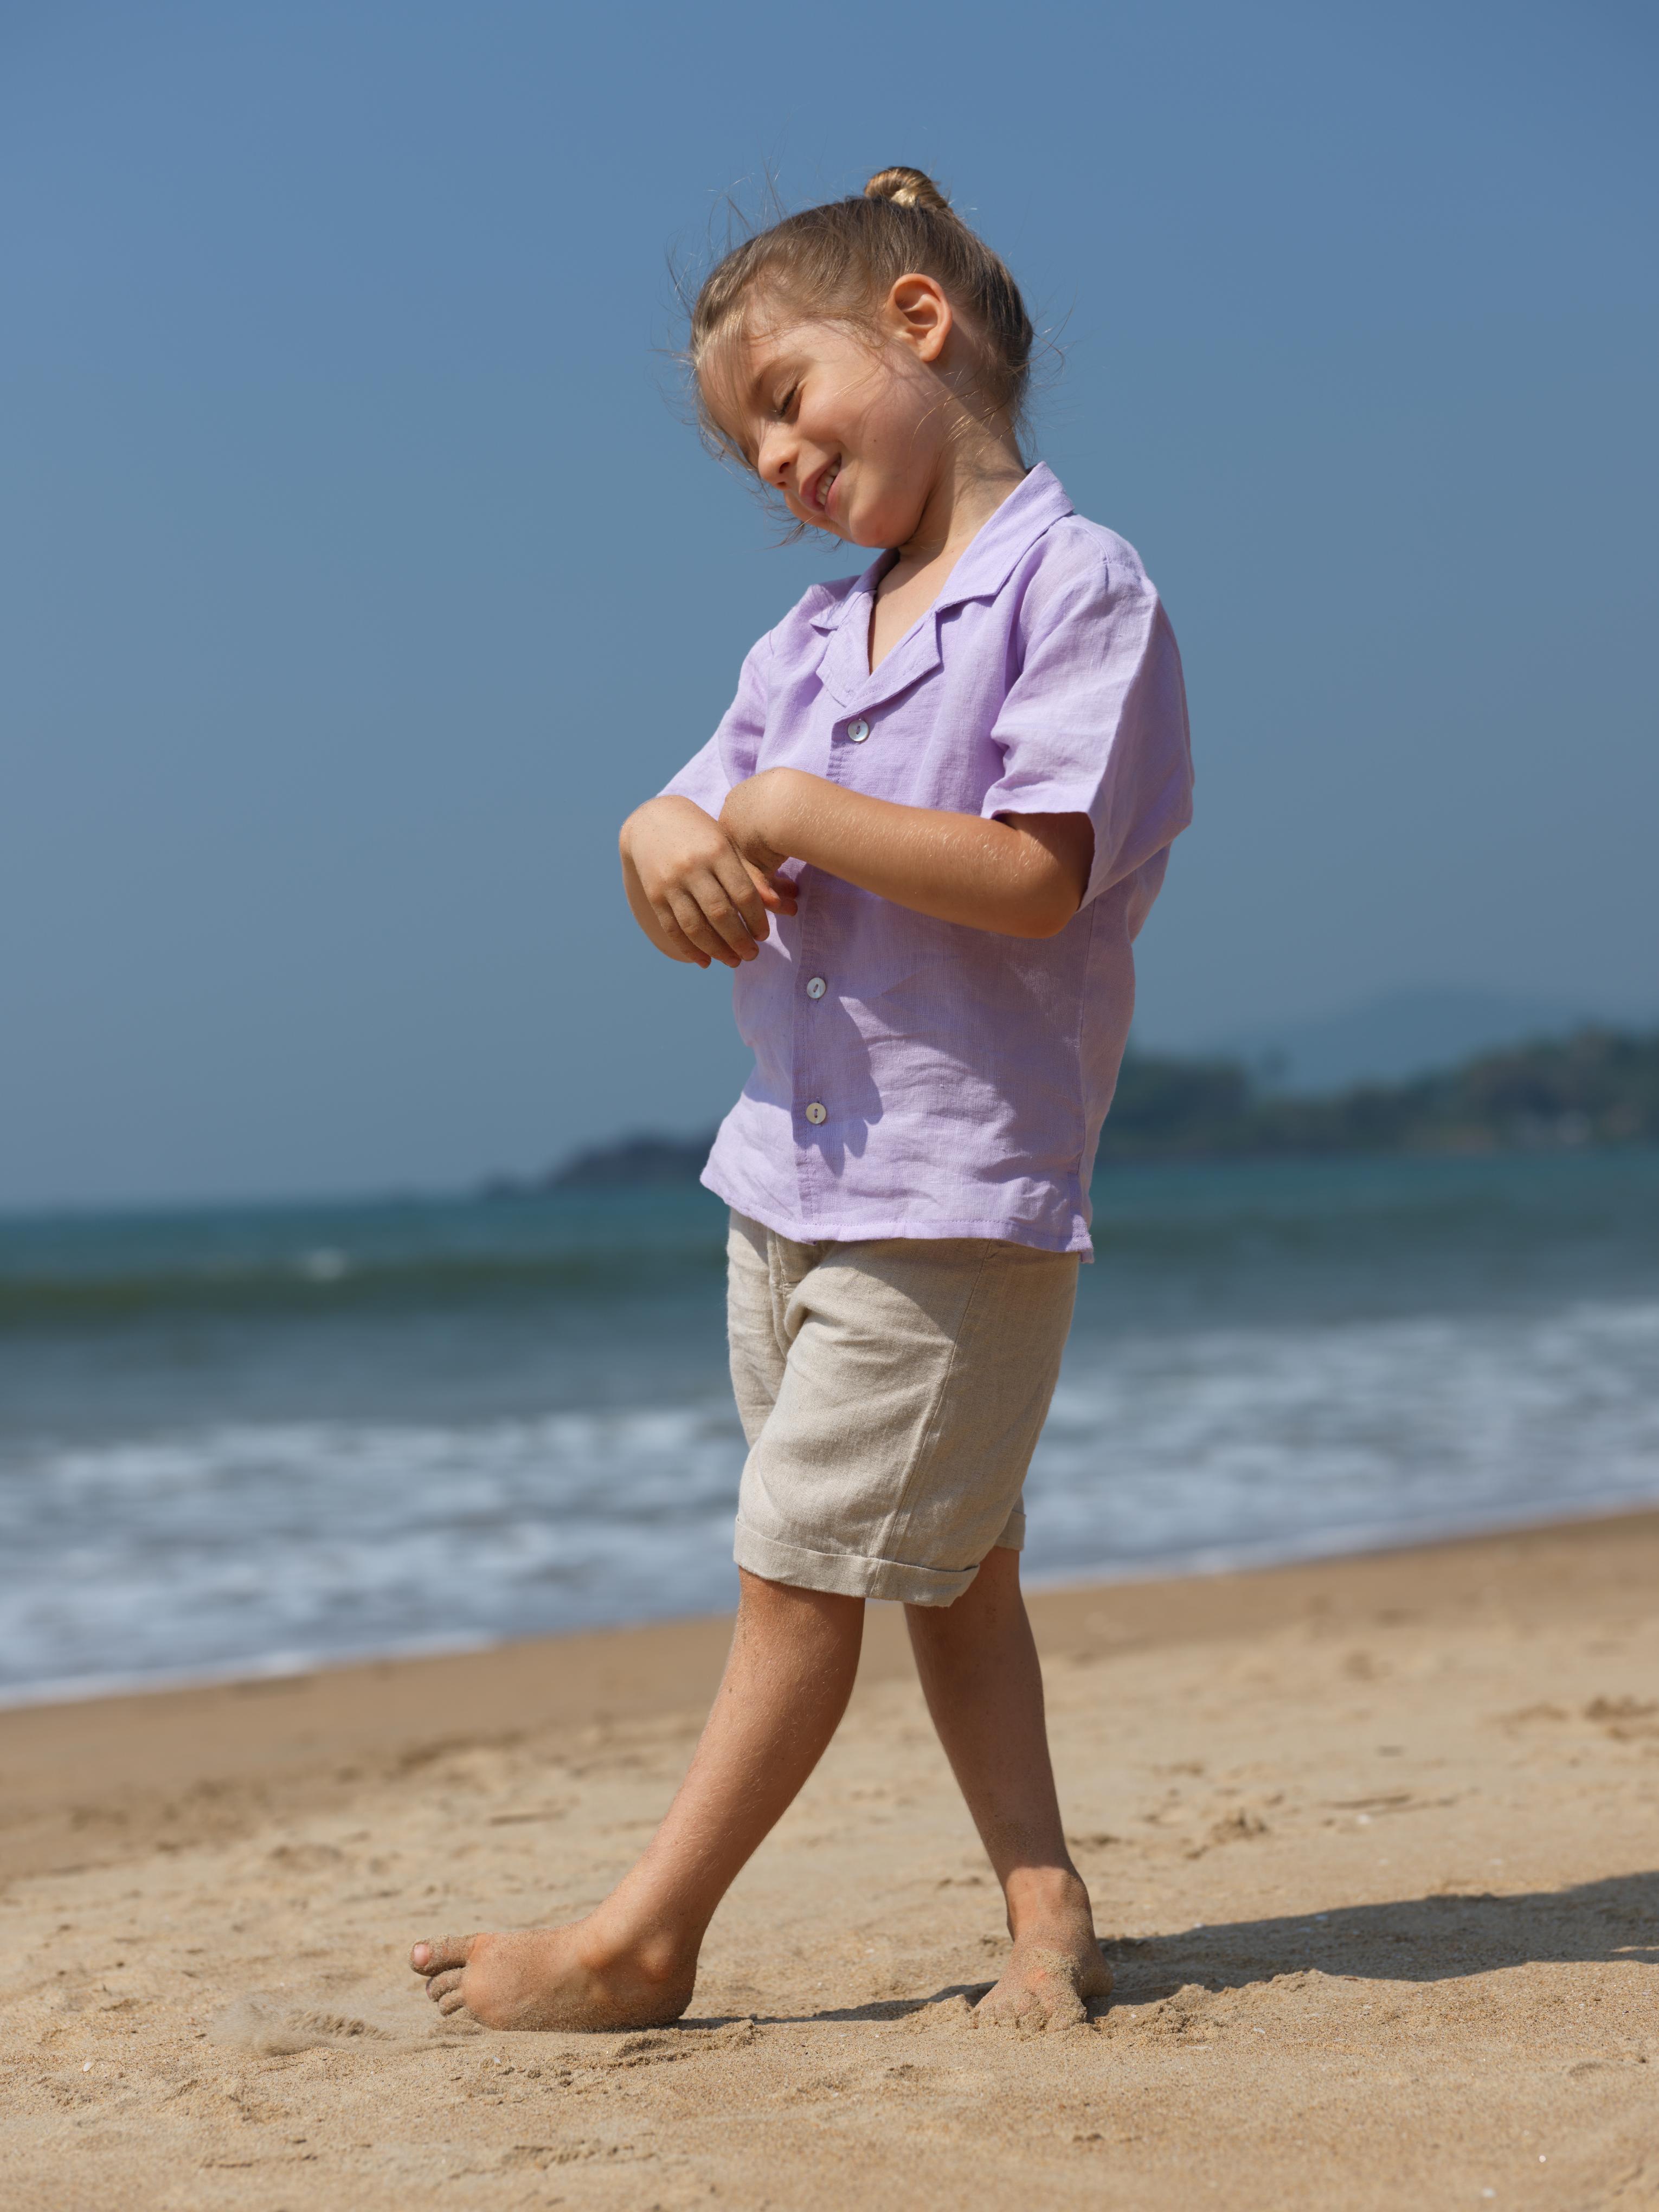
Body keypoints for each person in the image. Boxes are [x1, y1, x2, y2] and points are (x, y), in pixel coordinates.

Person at [411, 165, 1192, 2035]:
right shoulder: (808, 642)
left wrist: (789, 815)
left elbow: (1032, 873)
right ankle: (1045, 1910)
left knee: (800, 1568)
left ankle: (642, 1941)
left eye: (785, 398)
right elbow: (684, 809)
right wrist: (654, 835)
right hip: (790, 1180)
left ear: (916, 325)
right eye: (739, 443)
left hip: (955, 1191)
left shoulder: (1076, 590)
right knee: (951, 1569)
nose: (771, 458)